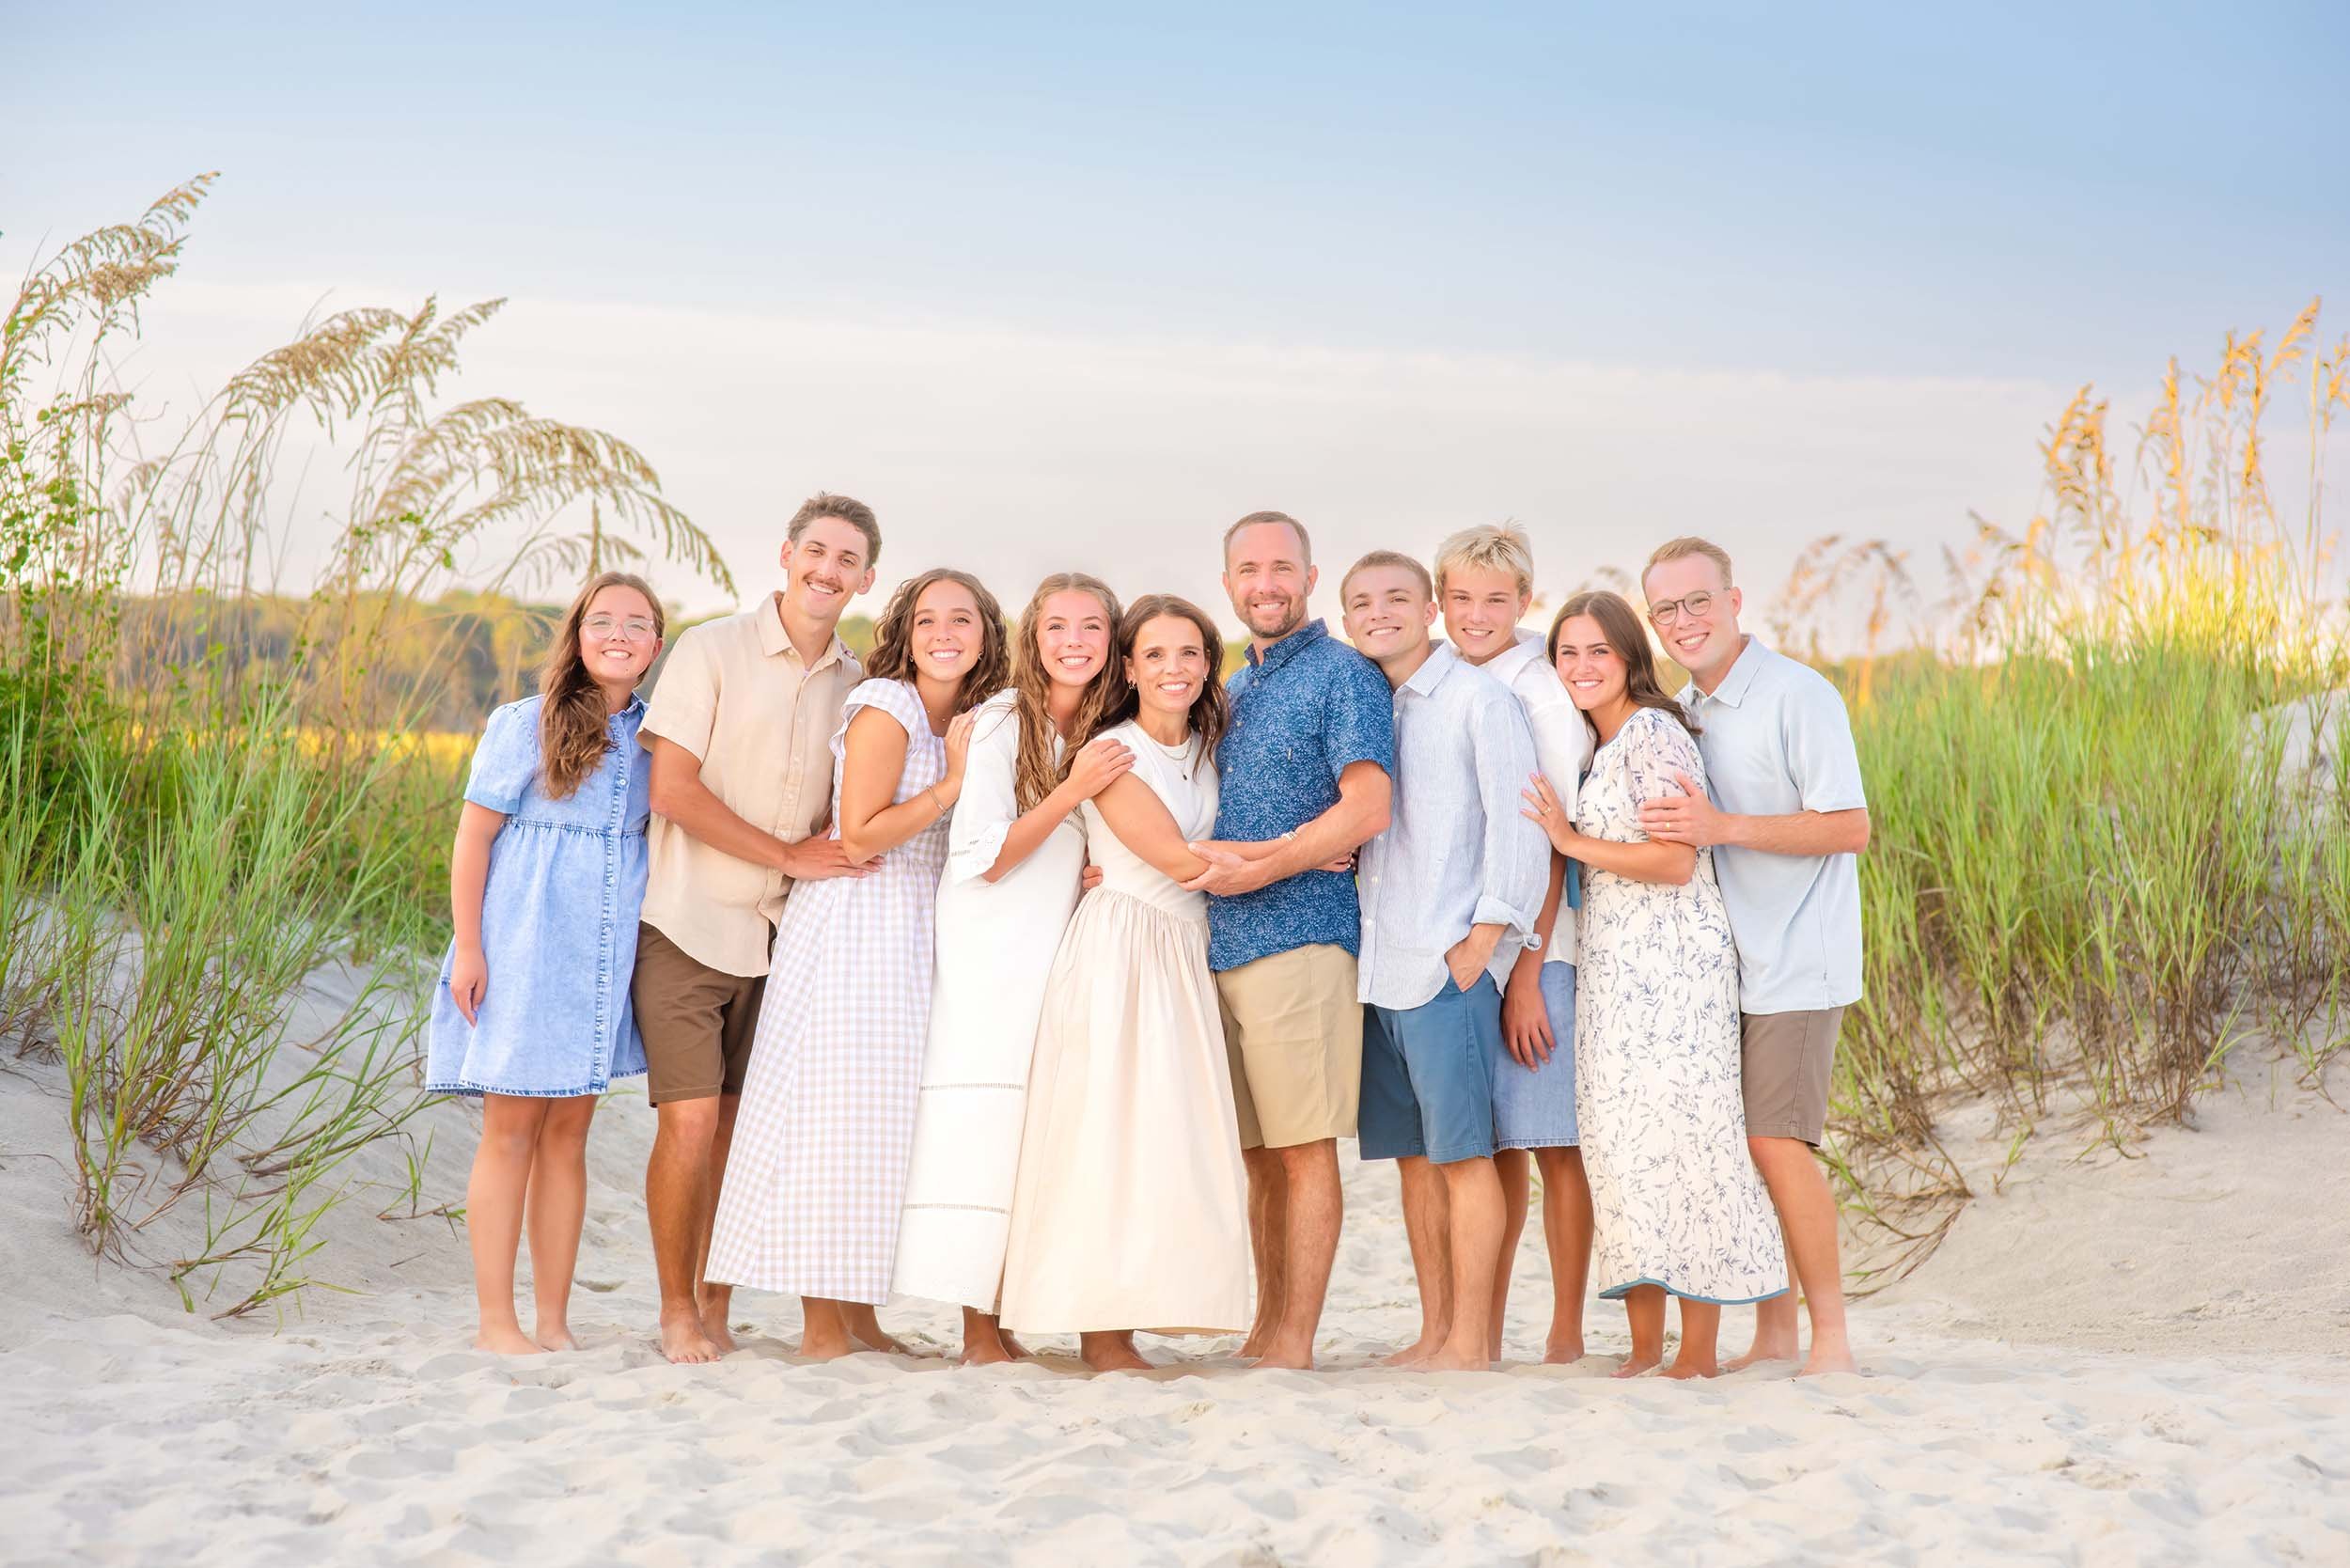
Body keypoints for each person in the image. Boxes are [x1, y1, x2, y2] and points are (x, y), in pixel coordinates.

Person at [705, 568, 1010, 1360]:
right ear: (906, 633)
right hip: (857, 919)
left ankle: (861, 1317)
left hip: (916, 925)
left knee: (882, 1130)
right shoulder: (888, 705)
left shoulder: (974, 717)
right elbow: (862, 834)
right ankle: (820, 1330)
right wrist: (949, 785)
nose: (945, 634)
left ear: (986, 637)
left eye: (963, 621)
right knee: (833, 1123)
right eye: (929, 621)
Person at [634, 492, 879, 1365]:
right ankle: (673, 1310)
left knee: (741, 1126)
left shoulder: (860, 686)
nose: (828, 570)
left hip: (787, 940)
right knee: (691, 1123)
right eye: (816, 551)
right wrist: (786, 852)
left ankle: (715, 1301)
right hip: (688, 921)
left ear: (866, 577)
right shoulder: (711, 651)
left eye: (847, 560)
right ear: (786, 555)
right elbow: (673, 790)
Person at [1522, 589, 1786, 1379]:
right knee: (1623, 1155)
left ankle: (1696, 1353)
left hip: (1675, 973)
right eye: (1567, 652)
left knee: (1685, 1151)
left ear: (1630, 657)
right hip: (1613, 973)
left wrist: (1571, 840)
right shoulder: (1596, 750)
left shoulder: (1651, 733)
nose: (1581, 666)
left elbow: (1676, 861)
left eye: (1598, 650)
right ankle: (1644, 1349)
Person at [999, 596, 1265, 1372]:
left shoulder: (1208, 748)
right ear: (1129, 668)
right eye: (1154, 655)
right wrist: (1304, 852)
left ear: (1209, 665)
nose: (1174, 669)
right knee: (1106, 1133)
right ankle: (1100, 1333)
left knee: (1163, 1139)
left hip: (1183, 951)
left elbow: (1206, 854)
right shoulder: (1112, 752)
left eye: (1189, 653)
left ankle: (1141, 1312)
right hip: (1124, 949)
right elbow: (1183, 862)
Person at [1636, 537, 1870, 1378]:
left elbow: (1849, 826)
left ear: (1736, 602)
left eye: (1698, 601)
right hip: (1724, 967)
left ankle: (1831, 1339)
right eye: (1666, 609)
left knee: (1777, 1142)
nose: (1684, 620)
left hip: (1797, 960)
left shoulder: (1796, 695)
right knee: (1736, 1145)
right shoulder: (1686, 709)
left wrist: (1722, 828)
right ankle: (1773, 1333)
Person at [892, 572, 1134, 1365]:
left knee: (1043, 1128)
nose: (1074, 643)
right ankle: (977, 1330)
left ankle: (1020, 1312)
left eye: (1091, 628)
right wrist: (1071, 796)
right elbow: (985, 858)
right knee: (987, 1129)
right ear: (1032, 639)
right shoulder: (999, 721)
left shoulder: (1111, 724)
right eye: (1057, 627)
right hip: (992, 945)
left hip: (1063, 937)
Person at [431, 572, 665, 1356]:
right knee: (511, 1133)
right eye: (602, 621)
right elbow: (474, 838)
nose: (618, 635)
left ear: (655, 646)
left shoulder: (656, 739)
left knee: (570, 1136)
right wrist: (470, 945)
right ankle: (498, 1322)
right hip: (524, 945)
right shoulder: (523, 723)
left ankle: (555, 1321)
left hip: (600, 957)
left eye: (636, 624)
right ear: (577, 634)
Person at [1184, 510, 1395, 1372]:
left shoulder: (1343, 675)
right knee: (1257, 1158)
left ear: (1310, 578)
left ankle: (1295, 1342)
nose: (1264, 583)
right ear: (1228, 581)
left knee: (1303, 1151)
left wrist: (1267, 868)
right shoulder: (1230, 686)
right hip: (1220, 946)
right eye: (1247, 569)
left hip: (1301, 939)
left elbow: (1368, 807)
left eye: (1281, 568)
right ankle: (1265, 1328)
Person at [1340, 551, 1545, 1372]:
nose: (1379, 611)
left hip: (1445, 964)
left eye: (1397, 597)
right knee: (1415, 1161)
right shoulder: (1368, 705)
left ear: (1428, 608)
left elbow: (1520, 827)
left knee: (1464, 1159)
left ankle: (1469, 1341)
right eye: (1362, 601)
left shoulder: (1479, 700)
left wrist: (1485, 943)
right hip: (1378, 965)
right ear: (1347, 616)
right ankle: (1433, 1331)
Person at [1424, 524, 1597, 1365]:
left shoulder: (1541, 695)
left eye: (1496, 600)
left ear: (1524, 602)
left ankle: (1564, 1329)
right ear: (1440, 602)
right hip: (1476, 948)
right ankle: (1482, 1326)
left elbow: (1552, 841)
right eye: (1461, 599)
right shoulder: (1452, 676)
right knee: (1496, 1147)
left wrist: (1529, 972)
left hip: (1542, 947)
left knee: (1555, 1143)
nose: (1477, 614)